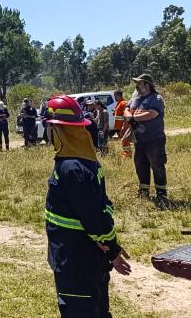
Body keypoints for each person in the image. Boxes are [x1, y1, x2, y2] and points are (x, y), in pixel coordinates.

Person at [44, 94, 131, 317]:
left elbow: (94, 218)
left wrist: (112, 250)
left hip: (76, 261)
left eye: (50, 129)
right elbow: (102, 208)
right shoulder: (86, 161)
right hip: (88, 258)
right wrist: (111, 247)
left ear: (58, 131)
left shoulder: (71, 168)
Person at [126, 74, 168, 205]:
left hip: (154, 139)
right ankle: (144, 192)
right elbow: (126, 110)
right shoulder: (135, 98)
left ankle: (161, 194)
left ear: (147, 85)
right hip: (139, 140)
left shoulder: (156, 99)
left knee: (157, 165)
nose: (137, 86)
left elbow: (151, 114)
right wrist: (129, 115)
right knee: (140, 166)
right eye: (137, 84)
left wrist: (133, 118)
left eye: (139, 83)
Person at [113, 90, 131, 158]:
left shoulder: (123, 103)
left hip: (123, 126)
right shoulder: (119, 103)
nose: (114, 97)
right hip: (119, 127)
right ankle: (125, 153)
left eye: (115, 96)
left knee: (125, 141)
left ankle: (127, 155)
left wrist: (125, 126)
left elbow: (126, 115)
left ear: (118, 95)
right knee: (123, 141)